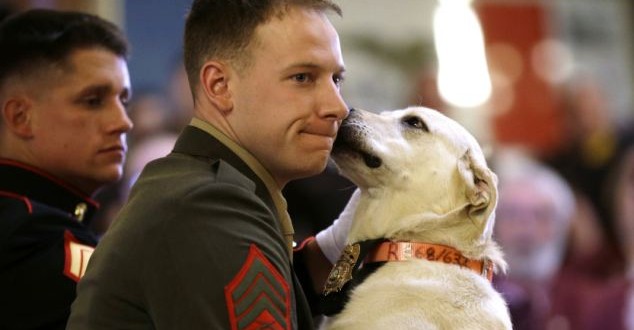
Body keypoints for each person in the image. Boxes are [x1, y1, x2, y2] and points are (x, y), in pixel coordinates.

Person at [68, 1, 355, 329]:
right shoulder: (208, 205)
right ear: (220, 86)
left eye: (336, 79)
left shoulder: (209, 190)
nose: (338, 107)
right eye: (302, 77)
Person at [0, 9, 132, 330]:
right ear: (21, 117)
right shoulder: (32, 241)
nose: (123, 122)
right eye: (92, 100)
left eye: (123, 100)